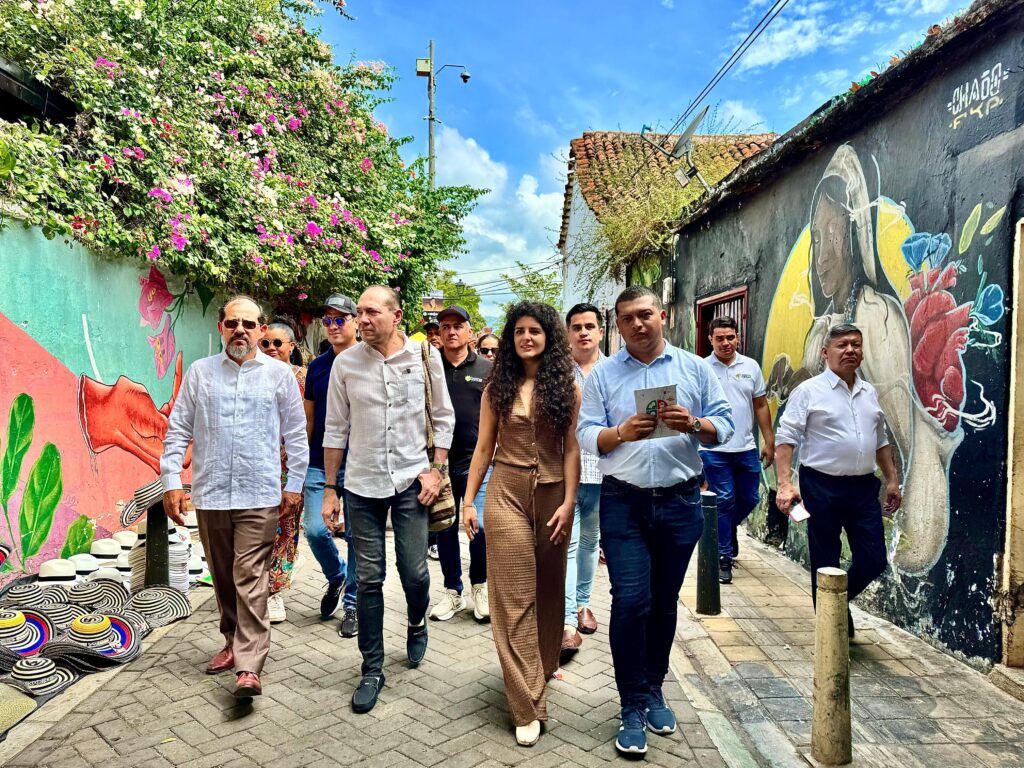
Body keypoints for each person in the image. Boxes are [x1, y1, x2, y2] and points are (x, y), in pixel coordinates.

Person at [577, 286, 734, 756]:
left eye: (645, 314)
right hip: (623, 502)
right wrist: (619, 432)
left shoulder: (695, 368)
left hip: (681, 502)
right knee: (631, 601)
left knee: (664, 602)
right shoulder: (604, 374)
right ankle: (630, 704)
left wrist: (695, 425)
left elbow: (725, 424)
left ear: (662, 316)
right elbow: (585, 433)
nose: (637, 324)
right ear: (618, 325)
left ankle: (654, 689)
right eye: (627, 318)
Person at [161, 296, 308, 699]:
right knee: (223, 576)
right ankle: (231, 641)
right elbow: (178, 429)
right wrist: (171, 480)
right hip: (210, 494)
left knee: (250, 575)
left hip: (259, 492)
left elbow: (296, 433)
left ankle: (249, 665)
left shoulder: (279, 376)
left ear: (261, 329)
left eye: (248, 323)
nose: (240, 330)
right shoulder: (200, 373)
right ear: (221, 328)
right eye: (232, 323)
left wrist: (294, 484)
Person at [322, 285, 455, 714]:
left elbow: (444, 417)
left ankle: (417, 621)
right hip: (362, 486)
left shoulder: (425, 357)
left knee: (414, 572)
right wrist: (330, 489)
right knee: (369, 579)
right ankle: (372, 668)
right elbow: (335, 428)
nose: (361, 320)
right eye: (359, 313)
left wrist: (437, 470)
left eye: (371, 312)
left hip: (413, 483)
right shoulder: (346, 364)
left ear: (396, 316)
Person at [462, 301, 579, 748]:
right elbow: (483, 449)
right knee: (512, 596)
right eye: (519, 331)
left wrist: (569, 502)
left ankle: (541, 667)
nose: (527, 338)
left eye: (535, 331)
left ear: (549, 337)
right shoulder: (497, 388)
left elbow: (571, 448)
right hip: (506, 492)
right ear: (511, 339)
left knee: (548, 590)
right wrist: (468, 501)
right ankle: (527, 704)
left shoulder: (567, 388)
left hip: (553, 495)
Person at [774, 323, 902, 637]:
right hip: (821, 485)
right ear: (825, 352)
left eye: (856, 345)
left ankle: (835, 603)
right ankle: (831, 626)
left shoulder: (869, 392)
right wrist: (785, 484)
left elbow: (880, 440)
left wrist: (892, 479)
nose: (850, 350)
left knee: (874, 560)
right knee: (826, 559)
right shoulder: (809, 391)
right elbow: (786, 439)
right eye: (842, 345)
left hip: (863, 487)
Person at [700, 316, 775, 585]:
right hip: (713, 448)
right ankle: (723, 556)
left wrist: (769, 440)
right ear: (710, 339)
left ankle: (725, 528)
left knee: (750, 498)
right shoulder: (702, 368)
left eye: (730, 337)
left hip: (745, 447)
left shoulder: (751, 366)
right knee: (724, 499)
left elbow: (761, 405)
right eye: (719, 338)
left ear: (738, 338)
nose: (726, 343)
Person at [429, 306, 491, 623]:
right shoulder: (430, 367)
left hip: (476, 461)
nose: (451, 331)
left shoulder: (487, 368)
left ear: (470, 332)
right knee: (445, 528)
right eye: (445, 326)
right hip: (439, 464)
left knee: (479, 527)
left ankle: (480, 586)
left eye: (458, 326)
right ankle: (453, 591)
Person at [303, 295, 360, 638]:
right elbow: (310, 420)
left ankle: (353, 603)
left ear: (355, 321)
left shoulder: (368, 361)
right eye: (328, 320)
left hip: (358, 463)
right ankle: (336, 576)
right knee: (314, 530)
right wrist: (301, 462)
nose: (334, 326)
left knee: (356, 536)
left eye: (341, 319)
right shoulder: (318, 366)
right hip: (318, 462)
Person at [560, 303, 605, 662]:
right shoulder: (557, 372)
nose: (583, 332)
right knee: (569, 545)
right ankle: (565, 619)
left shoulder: (614, 370)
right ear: (568, 333)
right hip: (566, 472)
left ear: (601, 331)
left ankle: (584, 603)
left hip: (604, 473)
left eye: (589, 326)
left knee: (591, 542)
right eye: (576, 327)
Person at [258, 322, 307, 624]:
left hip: (290, 469)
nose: (271, 348)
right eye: (265, 343)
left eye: (278, 343)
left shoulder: (303, 378)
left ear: (291, 346)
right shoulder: (250, 375)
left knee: (286, 528)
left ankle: (274, 591)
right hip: (256, 467)